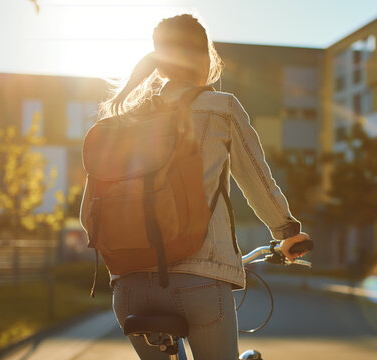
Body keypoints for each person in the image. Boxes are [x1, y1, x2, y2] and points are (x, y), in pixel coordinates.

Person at [98, 13, 311, 359]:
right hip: (199, 281)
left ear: (161, 66)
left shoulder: (127, 119)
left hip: (129, 289)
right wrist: (287, 231)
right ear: (205, 57)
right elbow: (257, 180)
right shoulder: (220, 108)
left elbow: (91, 209)